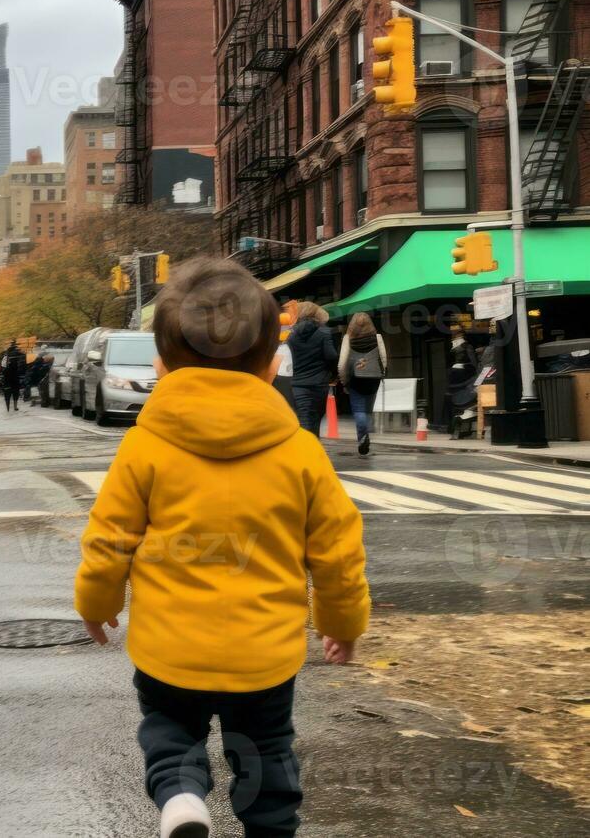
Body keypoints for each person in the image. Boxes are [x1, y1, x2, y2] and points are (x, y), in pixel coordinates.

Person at [74, 257, 370, 838]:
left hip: (169, 648)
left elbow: (110, 537)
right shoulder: (299, 451)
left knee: (169, 732)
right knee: (265, 752)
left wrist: (95, 601)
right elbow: (337, 551)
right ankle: (270, 826)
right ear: (268, 365)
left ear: (162, 362)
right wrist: (342, 622)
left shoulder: (145, 447)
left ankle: (182, 797)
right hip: (264, 653)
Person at [339, 312, 387, 457]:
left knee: (359, 410)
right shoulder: (377, 337)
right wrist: (383, 373)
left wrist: (343, 380)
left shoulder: (348, 339)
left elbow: (342, 363)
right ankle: (365, 432)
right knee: (367, 410)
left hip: (355, 379)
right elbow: (383, 357)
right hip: (374, 378)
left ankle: (363, 437)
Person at [288, 301, 337, 435]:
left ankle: (305, 449)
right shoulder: (324, 332)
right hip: (319, 383)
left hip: (297, 384)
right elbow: (331, 356)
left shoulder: (291, 335)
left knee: (304, 418)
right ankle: (312, 448)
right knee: (316, 419)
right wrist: (332, 374)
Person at [0, 340, 26, 413]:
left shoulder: (4, 355)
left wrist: (1, 373)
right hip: (15, 376)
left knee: (7, 391)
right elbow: (23, 365)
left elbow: (1, 366)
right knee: (15, 391)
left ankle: (7, 406)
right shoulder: (20, 354)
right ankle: (15, 406)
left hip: (7, 376)